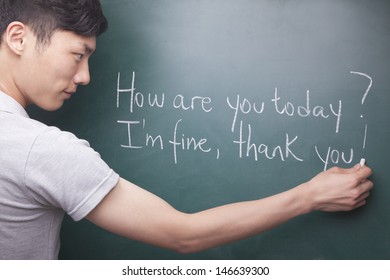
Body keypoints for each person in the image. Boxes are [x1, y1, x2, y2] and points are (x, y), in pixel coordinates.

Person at [0, 0, 373, 260]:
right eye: (78, 55)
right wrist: (310, 195)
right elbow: (183, 234)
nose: (84, 77)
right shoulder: (40, 150)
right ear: (18, 38)